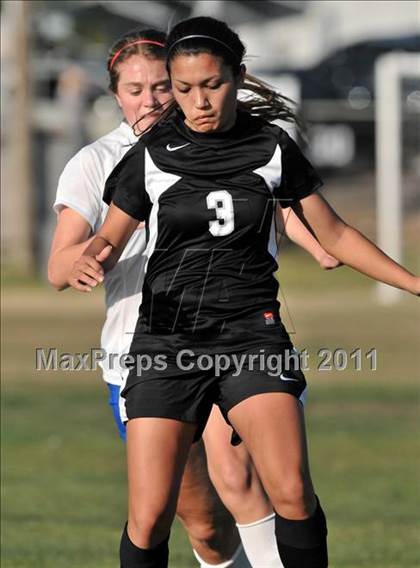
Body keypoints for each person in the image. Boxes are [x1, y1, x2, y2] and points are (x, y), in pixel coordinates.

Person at [71, 16, 420, 567]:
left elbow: (335, 234)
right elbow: (109, 239)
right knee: (150, 516)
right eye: (184, 89)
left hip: (249, 335)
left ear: (236, 77)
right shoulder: (151, 156)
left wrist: (415, 284)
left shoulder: (271, 148)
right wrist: (91, 257)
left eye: (212, 85)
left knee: (291, 493)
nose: (198, 101)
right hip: (165, 343)